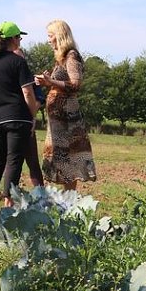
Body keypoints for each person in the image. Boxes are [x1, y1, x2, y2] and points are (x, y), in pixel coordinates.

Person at [0, 21, 39, 207]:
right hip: (17, 117)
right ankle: (9, 199)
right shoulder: (18, 61)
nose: (20, 40)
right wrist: (32, 115)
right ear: (12, 39)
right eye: (19, 37)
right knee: (14, 158)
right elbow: (27, 92)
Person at [36, 19, 96, 190]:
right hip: (59, 120)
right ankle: (62, 200)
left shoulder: (71, 56)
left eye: (50, 36)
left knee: (68, 157)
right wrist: (47, 82)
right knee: (60, 157)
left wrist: (51, 82)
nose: (48, 40)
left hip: (67, 120)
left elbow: (75, 84)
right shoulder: (61, 58)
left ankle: (69, 199)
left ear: (60, 36)